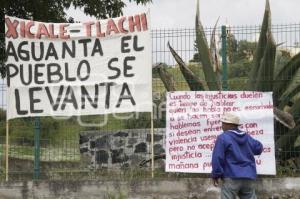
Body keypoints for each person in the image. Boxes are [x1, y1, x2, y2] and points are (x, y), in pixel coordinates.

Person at [211, 112, 263, 199]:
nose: (222, 126)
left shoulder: (223, 138)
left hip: (231, 176)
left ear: (228, 124)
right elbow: (258, 148)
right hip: (248, 176)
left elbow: (218, 158)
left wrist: (216, 175)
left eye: (223, 123)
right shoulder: (246, 137)